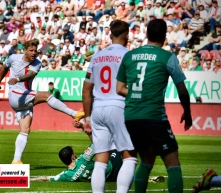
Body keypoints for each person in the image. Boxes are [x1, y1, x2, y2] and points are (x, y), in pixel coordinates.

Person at [116, 19, 192, 193]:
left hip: (131, 116)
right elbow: (182, 89)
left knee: (147, 160)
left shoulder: (129, 56)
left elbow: (119, 89)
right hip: (154, 116)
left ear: (147, 34)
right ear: (165, 37)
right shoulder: (167, 57)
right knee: (172, 162)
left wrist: (138, 94)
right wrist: (187, 112)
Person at [0, 39, 85, 164]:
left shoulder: (37, 63)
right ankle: (74, 114)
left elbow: (30, 75)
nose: (33, 53)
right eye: (30, 50)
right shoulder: (14, 58)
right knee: (47, 95)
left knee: (25, 130)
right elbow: (4, 67)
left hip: (24, 98)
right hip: (16, 95)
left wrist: (18, 78)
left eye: (35, 51)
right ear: (24, 50)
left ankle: (16, 160)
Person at [82, 20, 137, 193]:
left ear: (110, 34)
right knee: (129, 159)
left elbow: (86, 90)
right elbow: (134, 87)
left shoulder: (97, 56)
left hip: (98, 108)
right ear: (127, 35)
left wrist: (88, 118)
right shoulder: (129, 56)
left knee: (100, 161)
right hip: (119, 106)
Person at [30, 120, 123, 182]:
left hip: (108, 179)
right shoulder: (83, 159)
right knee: (117, 144)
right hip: (114, 166)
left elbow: (46, 178)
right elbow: (97, 142)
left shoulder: (68, 175)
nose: (76, 154)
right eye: (74, 153)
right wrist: (83, 126)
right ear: (72, 157)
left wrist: (29, 179)